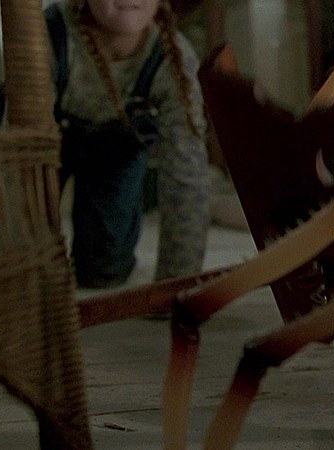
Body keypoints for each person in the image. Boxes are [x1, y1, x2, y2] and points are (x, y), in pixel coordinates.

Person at [44, 0, 210, 288]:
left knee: (104, 270)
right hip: (45, 146)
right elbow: (17, 160)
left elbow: (187, 178)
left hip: (115, 151)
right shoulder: (49, 35)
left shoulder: (173, 58)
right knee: (17, 261)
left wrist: (174, 288)